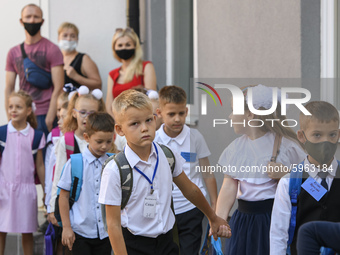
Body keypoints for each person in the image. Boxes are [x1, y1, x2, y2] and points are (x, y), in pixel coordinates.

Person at [99, 90, 231, 255]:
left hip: (167, 242)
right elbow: (113, 224)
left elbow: (190, 189)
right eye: (135, 124)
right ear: (119, 129)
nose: (144, 128)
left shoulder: (167, 155)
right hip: (135, 245)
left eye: (148, 120)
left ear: (155, 119)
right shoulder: (114, 170)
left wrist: (213, 217)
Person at [216, 84, 306, 255]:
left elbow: (310, 182)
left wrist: (286, 175)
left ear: (250, 114)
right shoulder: (235, 149)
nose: (230, 116)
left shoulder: (287, 147)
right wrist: (218, 219)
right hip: (243, 220)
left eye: (233, 110)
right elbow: (228, 187)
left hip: (273, 219)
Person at [270, 101, 340, 255]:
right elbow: (278, 234)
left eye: (332, 134)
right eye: (317, 135)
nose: (325, 141)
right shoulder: (289, 182)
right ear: (302, 136)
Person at [154, 85, 217, 254]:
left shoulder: (195, 137)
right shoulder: (154, 139)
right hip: (165, 209)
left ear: (187, 111)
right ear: (159, 113)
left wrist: (214, 205)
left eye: (181, 113)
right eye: (171, 114)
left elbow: (207, 174)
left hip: (192, 208)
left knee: (189, 250)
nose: (177, 119)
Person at [49, 86, 106, 226]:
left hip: (99, 209)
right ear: (74, 113)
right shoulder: (67, 141)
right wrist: (52, 207)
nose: (86, 117)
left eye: (91, 113)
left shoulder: (106, 141)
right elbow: (58, 177)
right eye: (83, 112)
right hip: (75, 209)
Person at [58, 113, 114, 254]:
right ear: (87, 138)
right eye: (99, 141)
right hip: (80, 232)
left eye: (109, 141)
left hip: (106, 233)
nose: (104, 146)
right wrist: (66, 227)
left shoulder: (113, 164)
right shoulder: (75, 163)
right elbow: (63, 196)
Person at [5, 4, 64, 136]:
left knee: (43, 156)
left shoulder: (52, 49)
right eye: (28, 17)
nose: (32, 20)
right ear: (21, 21)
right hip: (22, 113)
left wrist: (50, 116)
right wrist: (10, 114)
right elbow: (9, 88)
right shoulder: (13, 52)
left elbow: (59, 86)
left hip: (45, 114)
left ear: (42, 21)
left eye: (36, 17)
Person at [0, 91, 46, 255]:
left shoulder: (36, 136)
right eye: (11, 106)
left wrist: (46, 191)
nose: (13, 110)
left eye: (18, 107)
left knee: (27, 230)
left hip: (26, 192)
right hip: (3, 190)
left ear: (28, 110)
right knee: (1, 228)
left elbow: (39, 165)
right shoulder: (2, 133)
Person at [105, 27, 157, 117]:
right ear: (114, 48)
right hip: (118, 123)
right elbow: (109, 107)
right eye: (120, 45)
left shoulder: (146, 67)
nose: (124, 48)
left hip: (140, 120)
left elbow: (151, 99)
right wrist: (119, 124)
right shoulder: (112, 74)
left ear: (135, 46)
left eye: (128, 45)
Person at [58, 22, 102, 90]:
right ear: (58, 38)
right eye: (65, 35)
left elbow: (98, 85)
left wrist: (76, 77)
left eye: (73, 36)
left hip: (78, 99)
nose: (69, 39)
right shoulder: (54, 58)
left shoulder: (84, 59)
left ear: (77, 39)